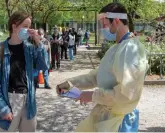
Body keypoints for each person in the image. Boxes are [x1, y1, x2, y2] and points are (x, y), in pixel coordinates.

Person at [56, 2, 149, 132]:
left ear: (116, 21)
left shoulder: (131, 49)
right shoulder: (116, 48)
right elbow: (96, 76)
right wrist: (71, 83)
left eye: (105, 25)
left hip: (119, 123)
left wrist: (92, 96)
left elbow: (126, 94)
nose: (103, 29)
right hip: (106, 118)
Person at [0, 11, 48, 132]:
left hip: (29, 100)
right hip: (9, 99)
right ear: (14, 26)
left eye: (29, 26)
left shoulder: (30, 49)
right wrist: (3, 108)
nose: (28, 29)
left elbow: (44, 65)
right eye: (25, 26)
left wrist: (38, 41)